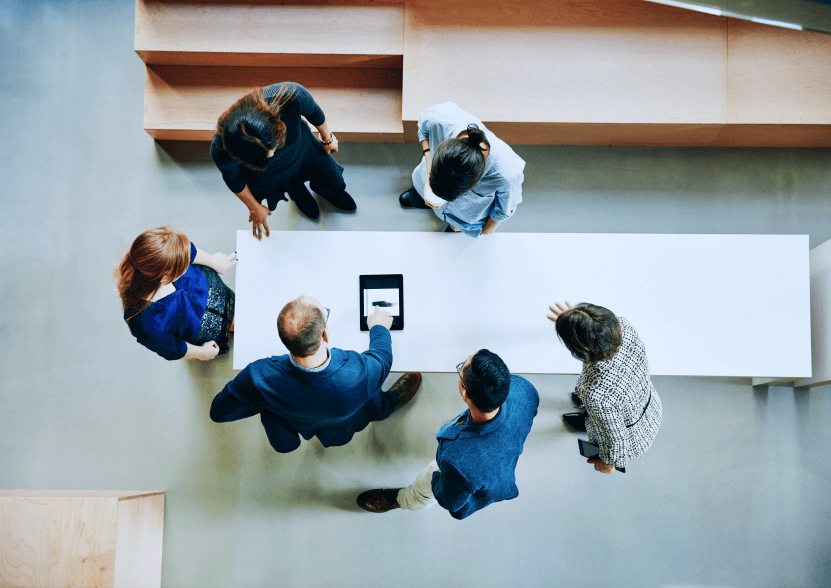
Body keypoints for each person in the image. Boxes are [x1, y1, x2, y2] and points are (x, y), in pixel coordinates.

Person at [209, 296, 421, 453]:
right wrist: (379, 328)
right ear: (325, 334)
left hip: (304, 423)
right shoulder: (360, 371)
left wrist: (266, 404)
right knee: (374, 399)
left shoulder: (257, 377)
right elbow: (382, 357)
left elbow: (219, 412)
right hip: (346, 421)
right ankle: (390, 404)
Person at [356, 350, 539, 520]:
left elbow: (450, 500)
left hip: (471, 473)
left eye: (462, 368)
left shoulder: (458, 461)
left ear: (465, 393)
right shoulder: (524, 389)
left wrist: (436, 479)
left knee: (425, 486)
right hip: (497, 458)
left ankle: (403, 499)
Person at [211, 82, 356, 237]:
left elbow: (314, 112)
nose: (271, 155)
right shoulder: (222, 149)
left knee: (334, 181)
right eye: (264, 156)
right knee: (291, 187)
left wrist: (327, 137)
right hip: (267, 174)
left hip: (303, 151)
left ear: (277, 125)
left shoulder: (289, 96)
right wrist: (254, 207)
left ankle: (326, 191)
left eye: (272, 147)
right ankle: (299, 194)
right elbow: (234, 179)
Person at [548, 301, 663, 474]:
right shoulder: (623, 326)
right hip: (646, 404)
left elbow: (616, 439)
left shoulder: (595, 395)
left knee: (598, 411)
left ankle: (592, 418)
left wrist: (610, 463)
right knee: (598, 407)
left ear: (580, 348)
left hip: (632, 434)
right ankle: (593, 416)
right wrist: (581, 323)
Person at [398, 102, 525, 237]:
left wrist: (485, 231)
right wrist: (428, 174)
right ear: (445, 143)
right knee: (417, 196)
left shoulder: (506, 176)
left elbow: (503, 211)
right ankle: (418, 197)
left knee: (453, 233)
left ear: (478, 179)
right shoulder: (439, 120)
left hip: (463, 218)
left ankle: (454, 227)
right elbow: (423, 128)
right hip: (423, 181)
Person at [115, 226, 237, 361]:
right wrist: (202, 352)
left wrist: (215, 263)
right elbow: (172, 348)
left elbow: (189, 251)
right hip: (204, 326)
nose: (189, 260)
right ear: (166, 278)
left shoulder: (165, 250)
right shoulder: (143, 321)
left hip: (210, 289)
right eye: (183, 265)